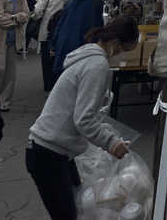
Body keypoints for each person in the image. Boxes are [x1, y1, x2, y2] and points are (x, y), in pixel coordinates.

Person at [26, 14, 138, 220]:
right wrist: (112, 143)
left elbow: (84, 113)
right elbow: (84, 119)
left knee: (76, 209)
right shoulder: (97, 65)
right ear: (115, 43)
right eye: (123, 50)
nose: (121, 56)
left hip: (53, 151)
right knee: (68, 215)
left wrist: (109, 135)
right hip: (48, 153)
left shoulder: (88, 58)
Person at [51, 0, 104, 81]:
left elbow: (60, 23)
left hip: (64, 40)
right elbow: (97, 27)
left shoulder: (72, 0)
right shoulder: (95, 4)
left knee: (63, 76)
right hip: (81, 43)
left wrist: (54, 42)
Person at [32, 0, 74, 91]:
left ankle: (48, 85)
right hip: (65, 33)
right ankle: (60, 85)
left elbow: (37, 12)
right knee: (62, 59)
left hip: (47, 32)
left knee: (47, 61)